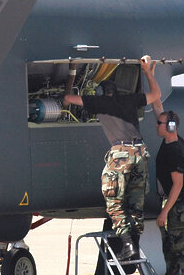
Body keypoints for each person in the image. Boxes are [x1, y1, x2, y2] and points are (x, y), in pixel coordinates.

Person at [64, 56, 160, 260]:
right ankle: (133, 246)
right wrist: (148, 73)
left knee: (114, 202)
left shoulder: (98, 102)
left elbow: (68, 99)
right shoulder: (130, 99)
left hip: (121, 155)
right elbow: (156, 94)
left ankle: (127, 245)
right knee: (136, 204)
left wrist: (72, 73)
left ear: (101, 93)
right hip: (141, 153)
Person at [152, 104, 184, 275]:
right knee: (169, 252)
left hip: (176, 207)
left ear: (169, 126)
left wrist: (165, 211)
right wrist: (149, 75)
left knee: (182, 252)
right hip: (171, 204)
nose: (156, 125)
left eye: (159, 123)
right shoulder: (169, 141)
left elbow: (177, 185)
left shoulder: (175, 150)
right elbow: (158, 106)